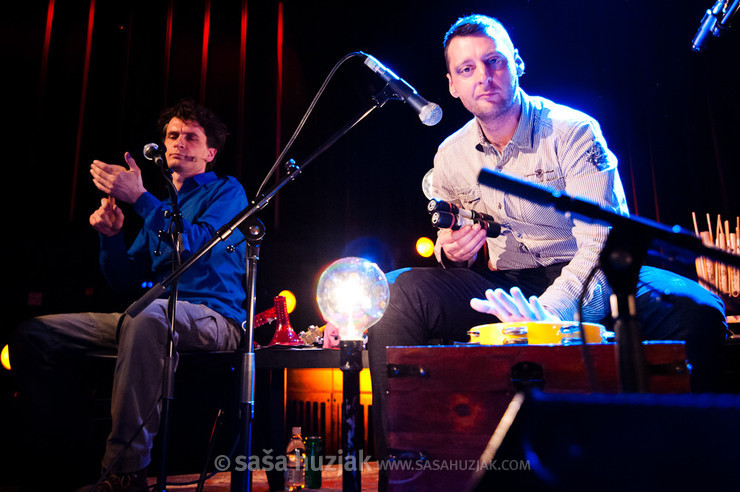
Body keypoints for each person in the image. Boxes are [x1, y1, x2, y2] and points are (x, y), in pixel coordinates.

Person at [367, 13, 727, 486]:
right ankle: (407, 465)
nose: (484, 76)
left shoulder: (572, 130)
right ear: (452, 85)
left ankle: (688, 466)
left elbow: (600, 246)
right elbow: (448, 222)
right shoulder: (450, 156)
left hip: (596, 271)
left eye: (493, 61)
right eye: (468, 69)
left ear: (516, 63)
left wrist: (544, 316)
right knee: (394, 294)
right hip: (512, 281)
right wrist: (449, 250)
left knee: (698, 312)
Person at [9, 100, 248, 491]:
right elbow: (124, 281)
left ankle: (126, 472)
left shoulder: (227, 190)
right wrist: (112, 238)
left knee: (149, 315)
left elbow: (196, 243)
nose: (179, 143)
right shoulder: (161, 207)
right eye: (172, 135)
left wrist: (140, 199)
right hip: (149, 317)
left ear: (210, 153)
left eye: (191, 137)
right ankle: (61, 456)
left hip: (213, 317)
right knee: (34, 334)